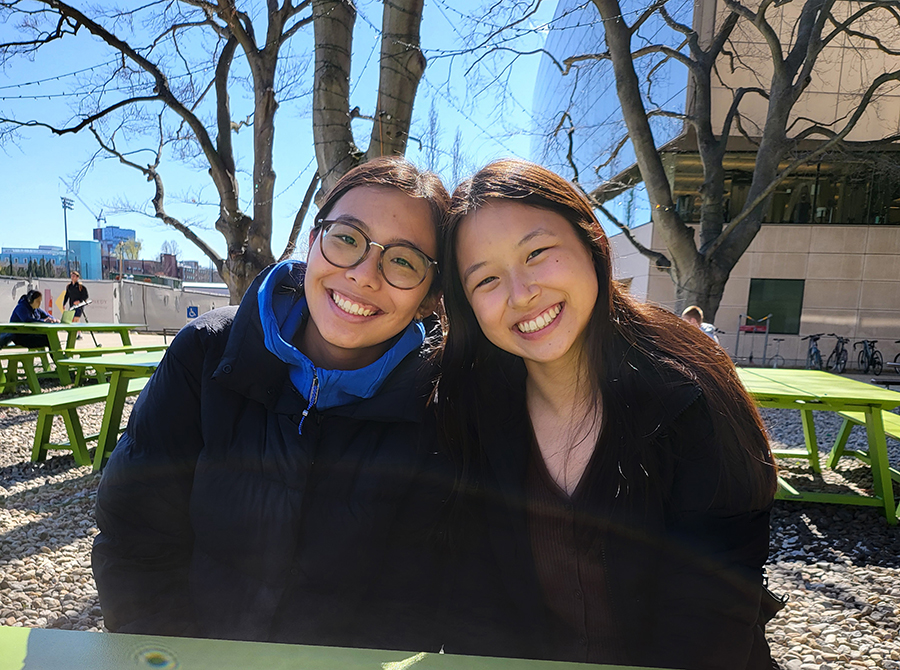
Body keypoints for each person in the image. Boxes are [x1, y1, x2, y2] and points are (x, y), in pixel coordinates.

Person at [93, 157, 452, 651]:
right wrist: (176, 660)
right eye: (347, 238)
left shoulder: (438, 407)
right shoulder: (206, 353)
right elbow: (135, 537)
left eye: (403, 261)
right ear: (312, 242)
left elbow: (418, 603)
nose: (364, 275)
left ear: (431, 297)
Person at [437, 160, 779, 669]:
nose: (520, 292)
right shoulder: (468, 410)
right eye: (485, 279)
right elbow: (472, 606)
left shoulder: (688, 392)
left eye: (537, 252)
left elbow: (712, 618)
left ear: (592, 243)